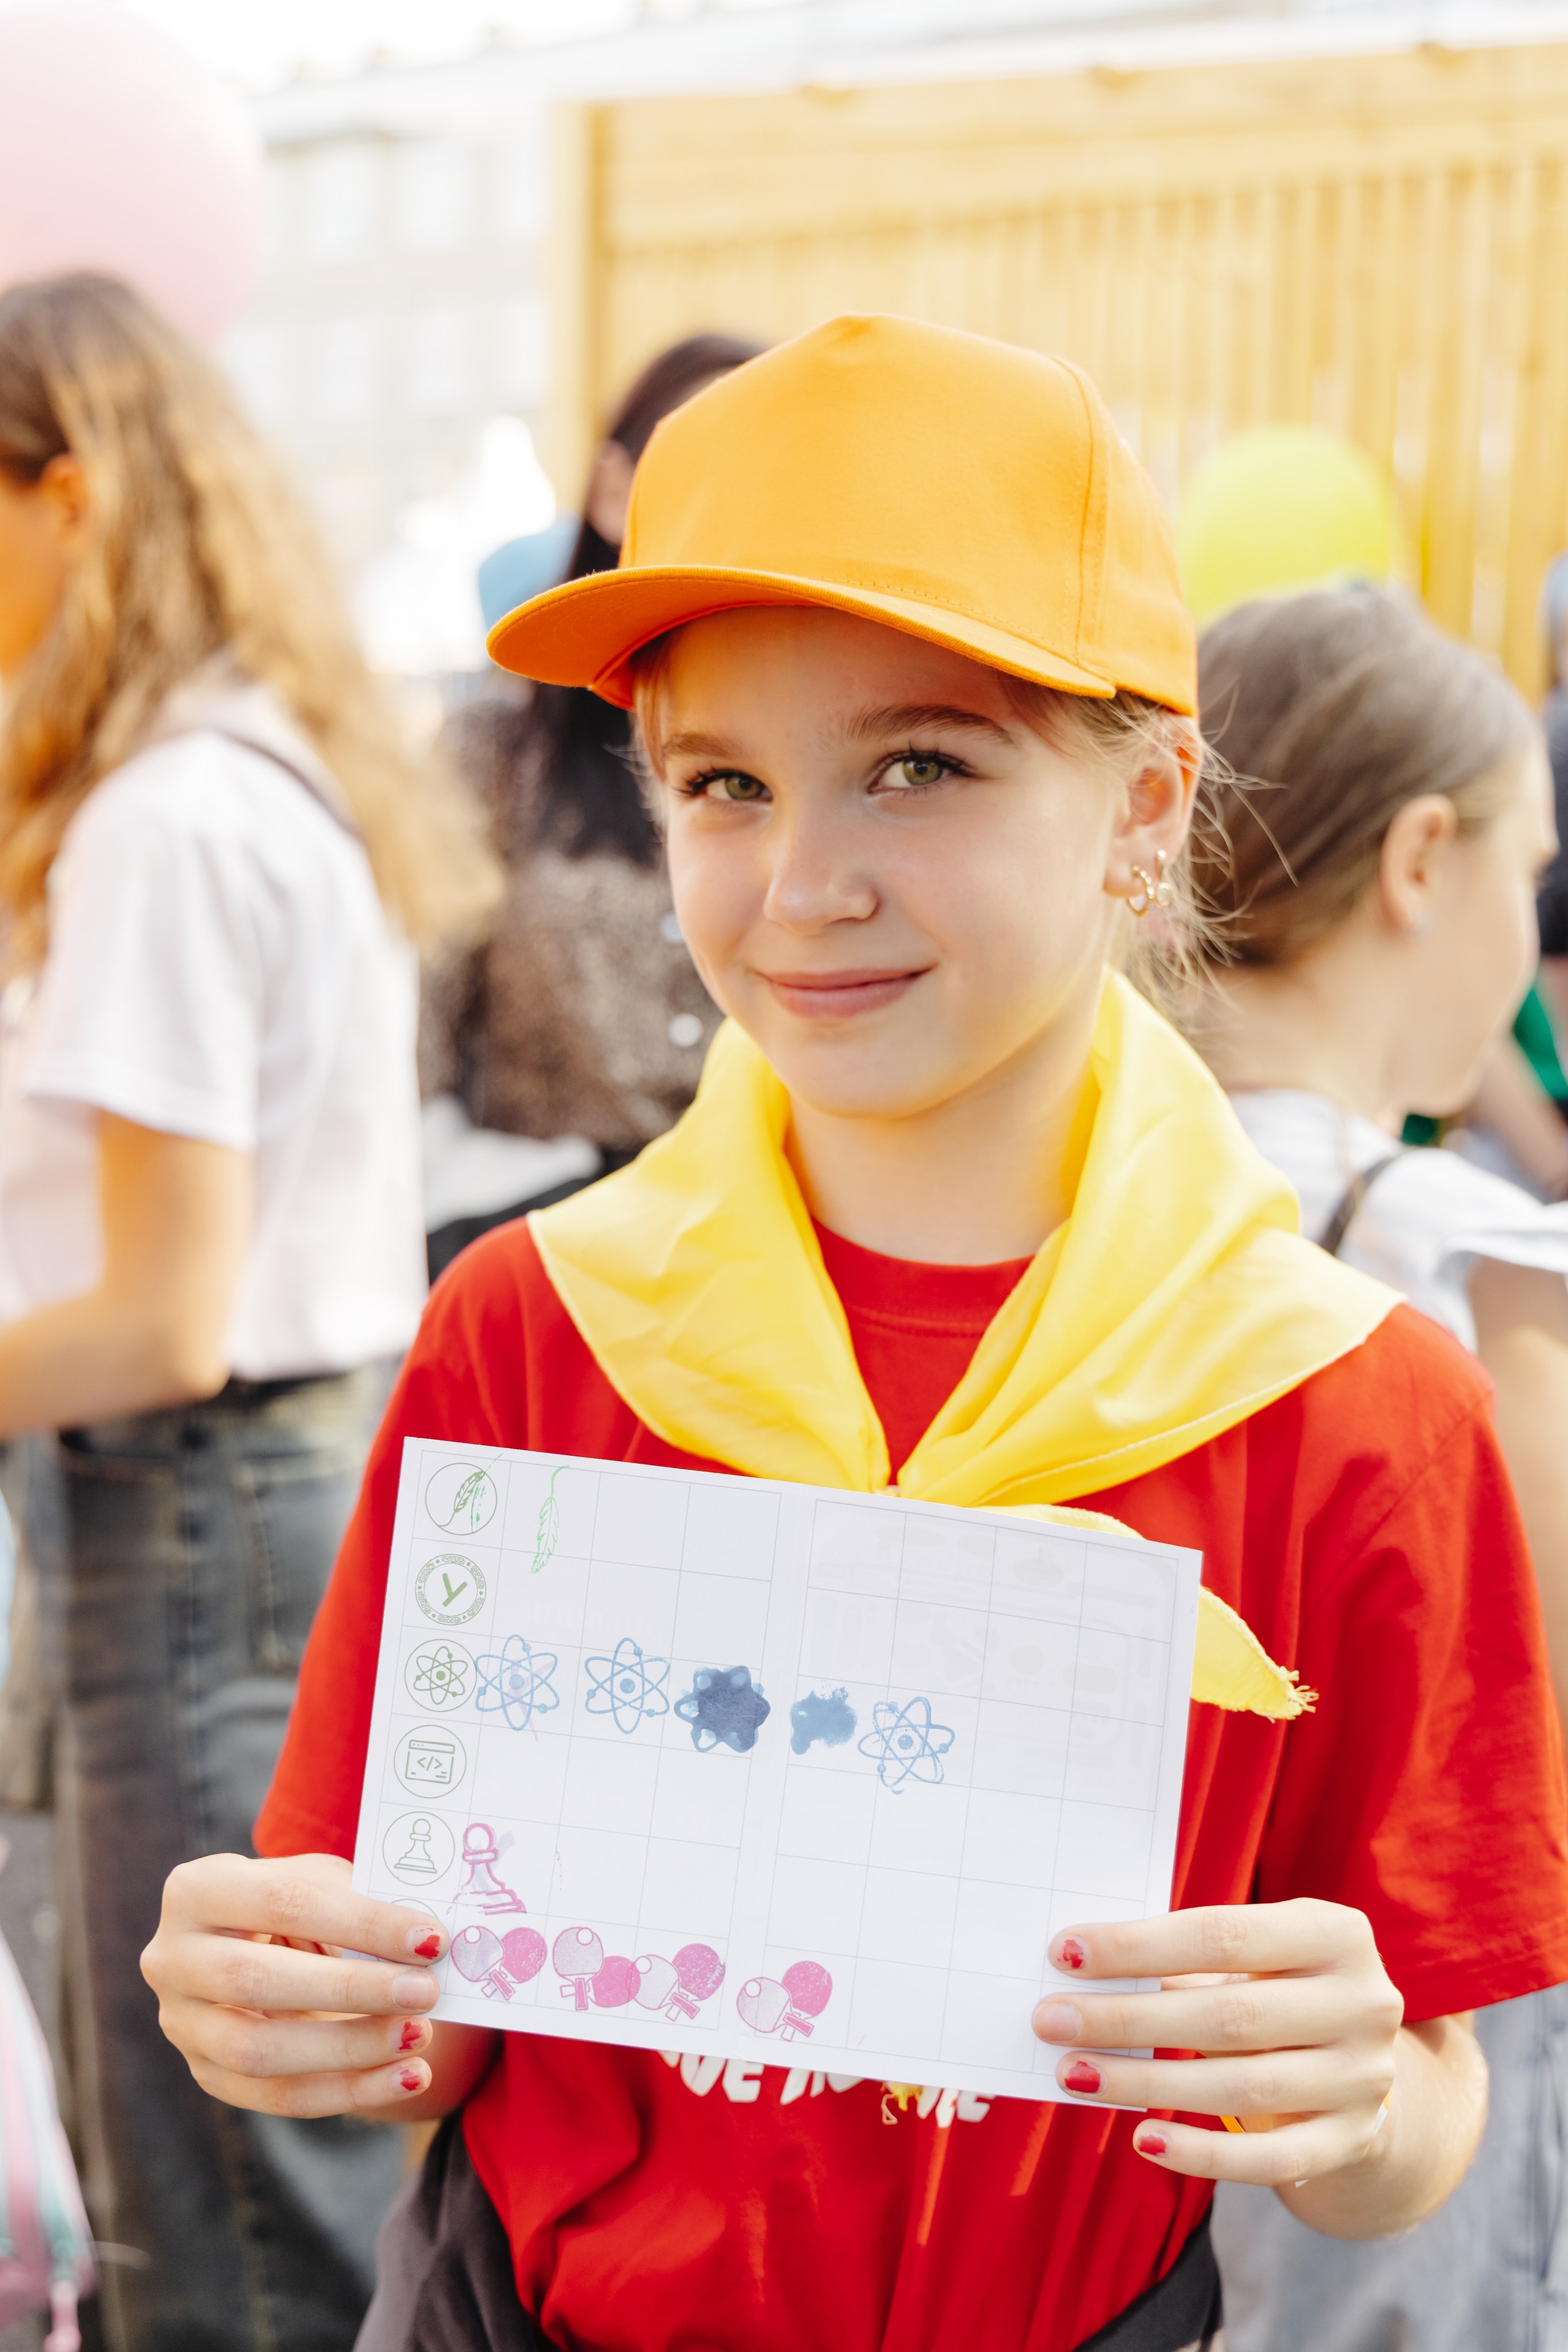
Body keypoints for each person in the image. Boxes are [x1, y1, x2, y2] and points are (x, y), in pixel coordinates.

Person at [144, 317, 1568, 2352]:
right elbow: (440, 2033)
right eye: (721, 782)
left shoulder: (1355, 1409)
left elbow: (1429, 2109)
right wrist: (293, 2010)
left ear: (1146, 804)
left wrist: (1352, 2103)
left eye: (919, 764)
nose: (803, 884)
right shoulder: (537, 1335)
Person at [0, 274, 495, 2351]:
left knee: (221, 2169)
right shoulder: (246, 770)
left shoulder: (171, 817)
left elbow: (162, 1314)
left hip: (196, 1501)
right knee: (251, 2134)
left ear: (78, 495)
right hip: (250, 1490)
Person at [1186, 585, 1568, 2352]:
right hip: (1403, 2087)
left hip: (1069, 2079)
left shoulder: (1027, 1209)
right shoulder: (1475, 1269)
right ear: (1423, 859)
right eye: (1533, 873)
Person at [421, 331, 763, 1275]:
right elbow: (411, 1037)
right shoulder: (497, 757)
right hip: (536, 1245)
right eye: (697, 464)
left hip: (755, 1252)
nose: (734, 501)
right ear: (614, 489)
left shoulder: (822, 761)